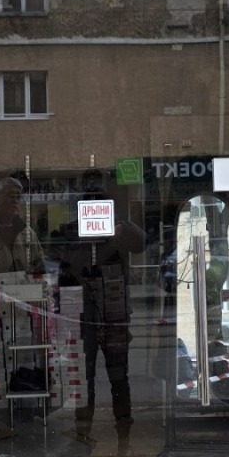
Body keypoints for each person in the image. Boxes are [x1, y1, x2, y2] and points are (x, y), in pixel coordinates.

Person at [65, 170, 145, 441]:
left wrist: (121, 224)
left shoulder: (118, 224)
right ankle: (84, 429)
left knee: (117, 371)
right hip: (85, 309)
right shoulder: (73, 229)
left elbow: (141, 243)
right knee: (85, 372)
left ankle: (123, 429)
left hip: (113, 306)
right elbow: (63, 261)